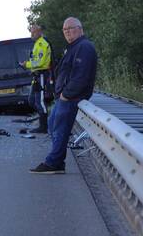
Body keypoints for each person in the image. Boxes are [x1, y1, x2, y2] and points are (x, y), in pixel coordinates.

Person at [31, 17, 98, 174]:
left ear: (80, 29)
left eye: (71, 28)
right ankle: (57, 160)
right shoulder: (73, 47)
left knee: (60, 128)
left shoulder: (84, 47)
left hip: (71, 98)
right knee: (53, 125)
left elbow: (81, 75)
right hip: (65, 97)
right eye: (65, 30)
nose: (67, 32)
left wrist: (66, 95)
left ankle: (54, 162)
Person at [20, 23, 52, 134]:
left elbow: (40, 61)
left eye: (33, 31)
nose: (31, 34)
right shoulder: (37, 44)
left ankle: (43, 127)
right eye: (31, 31)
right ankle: (41, 122)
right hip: (36, 76)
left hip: (42, 75)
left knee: (40, 102)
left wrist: (27, 64)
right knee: (32, 100)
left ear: (39, 31)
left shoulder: (42, 44)